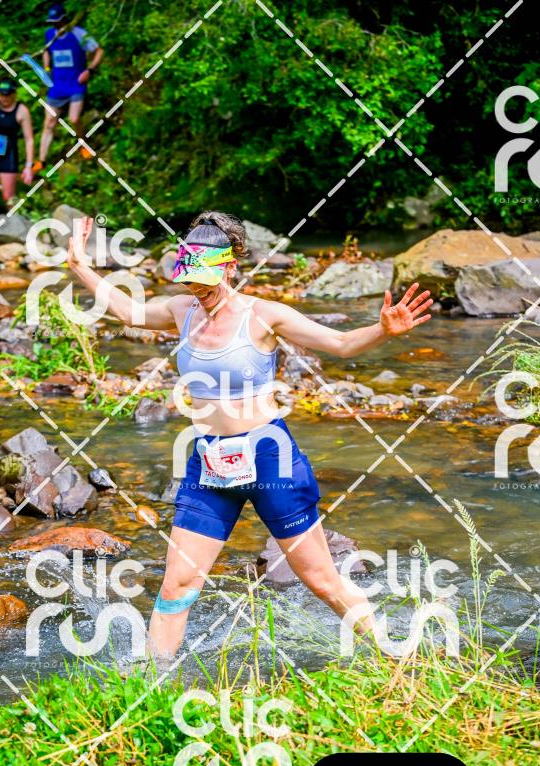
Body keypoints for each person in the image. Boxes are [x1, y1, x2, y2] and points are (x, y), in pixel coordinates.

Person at [67, 211, 434, 657]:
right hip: (209, 462)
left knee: (321, 580)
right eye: (189, 279)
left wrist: (382, 330)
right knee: (178, 583)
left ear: (229, 267)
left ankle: (396, 657)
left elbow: (338, 344)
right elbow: (127, 310)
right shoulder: (182, 311)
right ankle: (153, 681)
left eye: (204, 279)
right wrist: (79, 264)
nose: (196, 288)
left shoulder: (264, 315)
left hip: (269, 459)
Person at [34, 2, 103, 171]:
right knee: (49, 122)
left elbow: (99, 51)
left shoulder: (79, 34)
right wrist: (47, 68)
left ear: (64, 19)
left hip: (76, 84)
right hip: (57, 85)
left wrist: (90, 70)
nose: (55, 25)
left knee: (74, 118)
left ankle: (84, 145)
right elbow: (46, 51)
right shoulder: (50, 35)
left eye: (57, 22)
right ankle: (41, 161)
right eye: (52, 22)